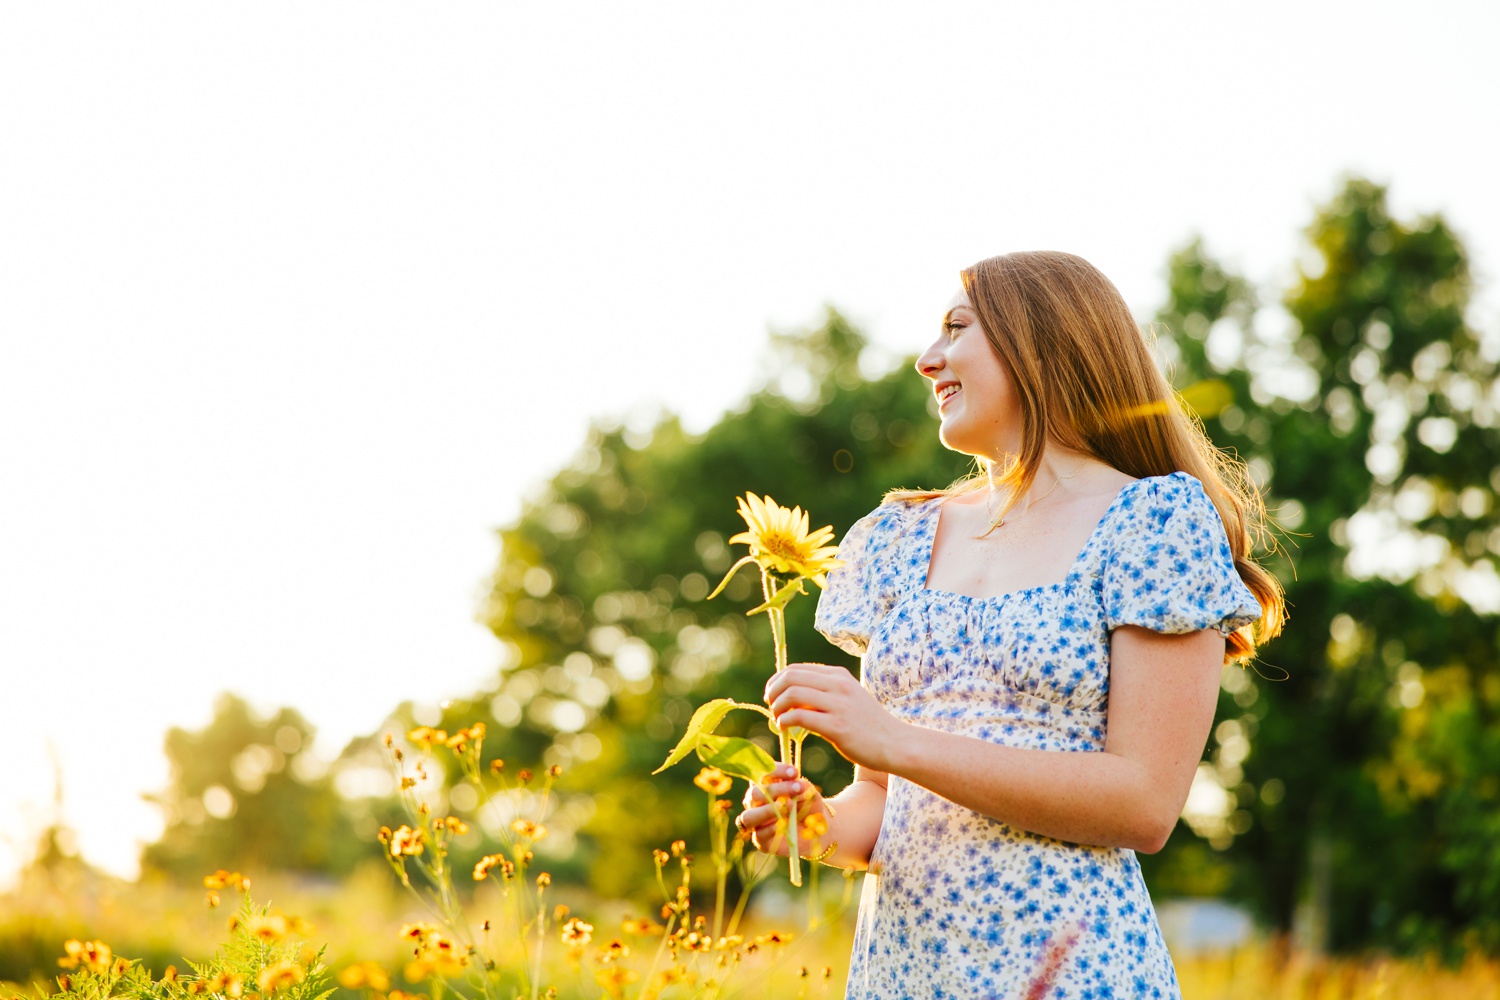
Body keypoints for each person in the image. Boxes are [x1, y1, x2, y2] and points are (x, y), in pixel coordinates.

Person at [736, 251, 1286, 999]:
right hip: (904, 974)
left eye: (956, 329)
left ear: (1040, 341)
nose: (928, 361)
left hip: (1074, 972)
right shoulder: (897, 539)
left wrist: (896, 739)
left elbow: (1144, 803)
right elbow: (881, 802)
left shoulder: (1153, 523)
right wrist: (818, 825)